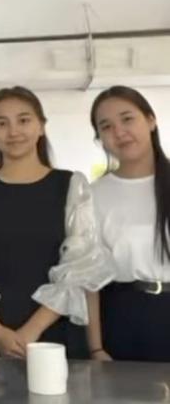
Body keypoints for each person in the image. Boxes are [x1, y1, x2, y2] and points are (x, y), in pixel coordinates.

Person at [0, 86, 113, 359]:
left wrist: (30, 332)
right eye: (1, 123)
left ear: (41, 126)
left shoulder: (71, 186)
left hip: (56, 334)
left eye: (24, 120)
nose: (13, 131)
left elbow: (80, 267)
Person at [87, 85, 170, 362]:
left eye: (127, 119)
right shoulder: (94, 195)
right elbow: (90, 279)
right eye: (106, 126)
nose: (119, 132)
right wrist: (96, 348)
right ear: (100, 138)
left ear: (151, 120)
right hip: (124, 317)